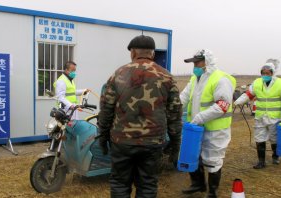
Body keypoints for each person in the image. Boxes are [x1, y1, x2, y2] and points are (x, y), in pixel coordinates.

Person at [97, 35, 182, 198]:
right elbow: (175, 114)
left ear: (133, 53)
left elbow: (106, 109)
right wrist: (175, 144)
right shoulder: (166, 76)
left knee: (120, 184)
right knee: (148, 185)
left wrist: (102, 137)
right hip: (152, 142)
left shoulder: (118, 74)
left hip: (122, 141)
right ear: (153, 54)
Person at [180, 49, 236, 198]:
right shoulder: (194, 79)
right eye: (194, 63)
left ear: (207, 62)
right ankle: (198, 184)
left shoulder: (221, 79)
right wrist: (173, 109)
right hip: (196, 129)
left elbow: (222, 106)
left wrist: (199, 118)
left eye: (198, 62)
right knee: (193, 155)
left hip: (215, 129)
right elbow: (183, 98)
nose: (195, 66)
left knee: (212, 160)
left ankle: (212, 191)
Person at [234, 61, 281, 169]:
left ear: (272, 73)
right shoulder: (257, 82)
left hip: (275, 117)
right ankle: (261, 161)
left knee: (274, 139)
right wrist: (238, 101)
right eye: (263, 73)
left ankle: (275, 157)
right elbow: (249, 94)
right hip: (260, 117)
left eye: (267, 73)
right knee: (259, 138)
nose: (265, 75)